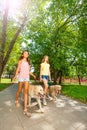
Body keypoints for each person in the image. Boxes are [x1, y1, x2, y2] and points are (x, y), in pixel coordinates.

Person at [13, 50, 36, 117]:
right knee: (19, 90)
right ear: (22, 54)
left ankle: (25, 109)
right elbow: (17, 69)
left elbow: (28, 71)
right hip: (21, 77)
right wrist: (15, 75)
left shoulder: (28, 63)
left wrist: (33, 75)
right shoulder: (20, 61)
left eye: (27, 53)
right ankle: (16, 100)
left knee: (26, 92)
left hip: (27, 78)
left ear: (28, 55)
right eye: (25, 53)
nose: (26, 54)